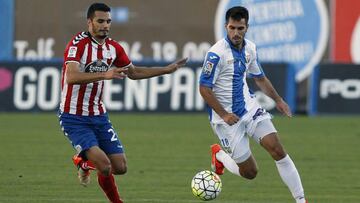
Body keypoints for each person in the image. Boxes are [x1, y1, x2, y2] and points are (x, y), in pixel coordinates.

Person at [58, 3, 187, 203]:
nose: (105, 25)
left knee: (120, 167)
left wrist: (165, 70)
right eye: (100, 21)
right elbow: (71, 76)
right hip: (73, 117)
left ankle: (83, 162)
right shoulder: (78, 44)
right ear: (89, 22)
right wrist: (106, 73)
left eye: (108, 21)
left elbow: (133, 73)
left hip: (99, 115)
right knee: (105, 166)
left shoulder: (113, 48)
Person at [199, 6, 307, 203]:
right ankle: (220, 155)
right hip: (225, 120)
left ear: (247, 27)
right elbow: (204, 89)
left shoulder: (250, 49)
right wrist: (224, 114)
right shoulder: (215, 54)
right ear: (226, 26)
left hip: (249, 108)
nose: (236, 33)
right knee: (250, 172)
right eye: (232, 28)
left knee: (277, 149)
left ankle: (301, 200)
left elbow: (260, 78)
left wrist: (279, 101)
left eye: (240, 28)